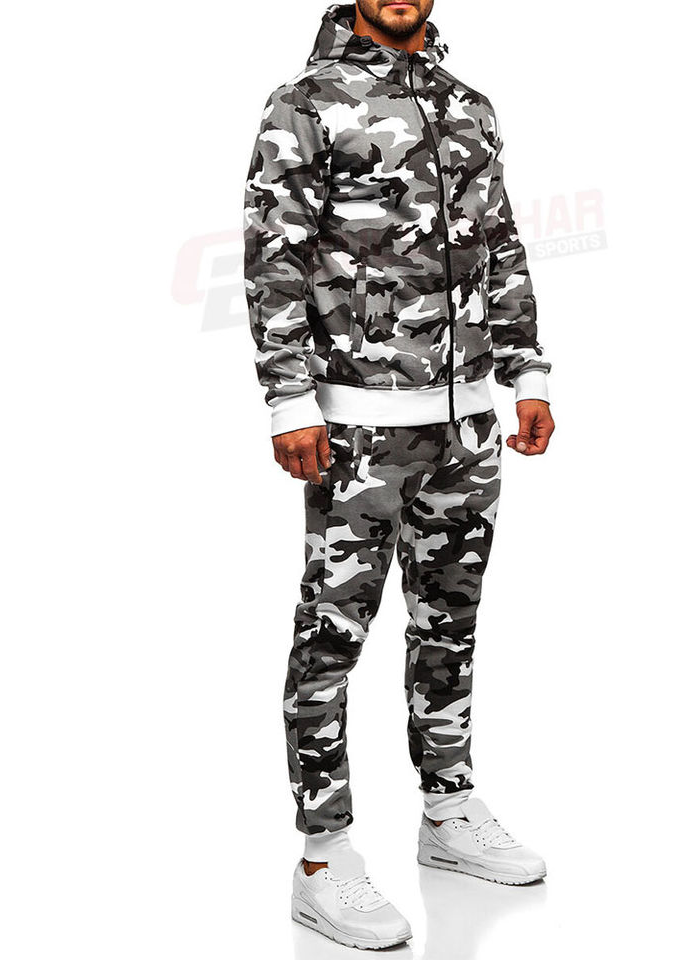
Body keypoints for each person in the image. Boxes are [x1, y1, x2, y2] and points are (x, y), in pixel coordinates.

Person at [244, 1, 554, 948]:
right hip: (356, 427)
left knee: (448, 623)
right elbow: (275, 254)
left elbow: (502, 244)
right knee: (332, 635)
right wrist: (289, 400)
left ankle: (448, 807)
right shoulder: (305, 102)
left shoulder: (469, 103)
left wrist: (527, 373)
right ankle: (323, 855)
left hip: (467, 426)